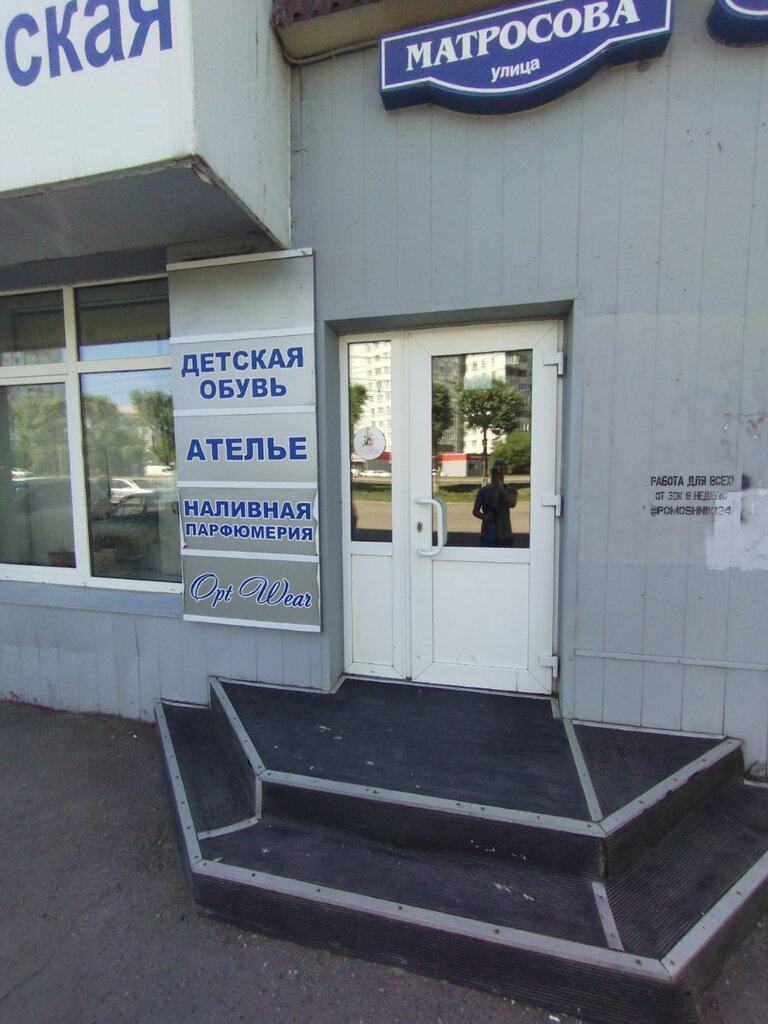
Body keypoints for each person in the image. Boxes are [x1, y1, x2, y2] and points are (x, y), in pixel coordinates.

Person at [472, 459, 517, 547]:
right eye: (496, 469)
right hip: (488, 533)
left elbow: (512, 503)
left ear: (505, 471)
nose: (499, 472)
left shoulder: (510, 490)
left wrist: (500, 488)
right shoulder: (484, 491)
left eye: (501, 469)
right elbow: (475, 511)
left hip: (505, 532)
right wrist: (485, 517)